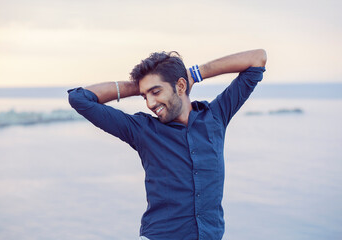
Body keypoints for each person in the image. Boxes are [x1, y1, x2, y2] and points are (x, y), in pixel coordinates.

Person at [68, 49, 267, 240]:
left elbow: (257, 58)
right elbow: (79, 98)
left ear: (180, 86)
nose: (150, 103)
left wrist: (195, 74)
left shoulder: (216, 116)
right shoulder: (142, 130)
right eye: (145, 96)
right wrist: (138, 87)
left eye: (156, 91)